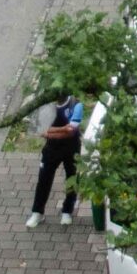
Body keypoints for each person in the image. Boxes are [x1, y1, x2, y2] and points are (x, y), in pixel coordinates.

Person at [26, 96, 84, 228]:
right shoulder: (47, 105)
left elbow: (71, 132)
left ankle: (67, 211)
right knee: (43, 179)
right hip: (51, 148)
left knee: (72, 178)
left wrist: (49, 132)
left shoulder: (76, 104)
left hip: (72, 148)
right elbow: (41, 129)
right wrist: (62, 129)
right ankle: (37, 212)